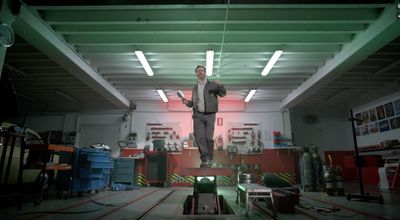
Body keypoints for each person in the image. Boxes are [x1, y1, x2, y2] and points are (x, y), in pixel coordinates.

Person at [181, 65, 226, 168]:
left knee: (208, 138)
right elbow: (193, 103)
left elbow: (223, 94)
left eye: (202, 70)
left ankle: (209, 158)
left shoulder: (212, 85)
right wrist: (187, 102)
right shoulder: (195, 89)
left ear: (205, 73)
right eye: (198, 71)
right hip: (198, 115)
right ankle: (205, 158)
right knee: (199, 137)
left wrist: (220, 86)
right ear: (196, 74)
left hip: (210, 114)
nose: (200, 72)